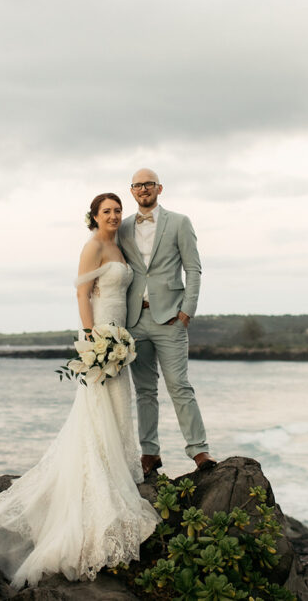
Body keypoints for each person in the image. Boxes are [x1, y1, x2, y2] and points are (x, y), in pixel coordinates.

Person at [0, 193, 159, 588]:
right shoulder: (91, 248)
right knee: (97, 409)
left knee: (118, 407)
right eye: (108, 211)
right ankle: (100, 478)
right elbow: (82, 295)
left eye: (118, 210)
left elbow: (124, 288)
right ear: (94, 216)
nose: (114, 215)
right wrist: (93, 342)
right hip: (103, 337)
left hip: (119, 335)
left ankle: (115, 467)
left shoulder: (118, 245)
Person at [118, 168, 214, 477]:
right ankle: (150, 454)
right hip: (134, 320)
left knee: (179, 386)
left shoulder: (180, 222)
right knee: (145, 391)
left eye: (148, 184)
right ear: (132, 191)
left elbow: (194, 269)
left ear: (159, 188)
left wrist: (187, 310)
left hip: (171, 318)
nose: (143, 189)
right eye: (137, 185)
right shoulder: (123, 227)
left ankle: (199, 450)